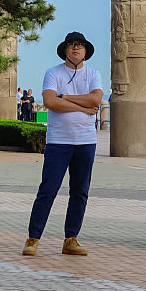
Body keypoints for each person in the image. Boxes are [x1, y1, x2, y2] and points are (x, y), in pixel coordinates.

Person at [22, 31, 103, 257]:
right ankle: (33, 238)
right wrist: (83, 107)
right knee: (48, 190)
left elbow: (96, 99)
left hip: (86, 142)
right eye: (71, 45)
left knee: (80, 191)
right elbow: (50, 102)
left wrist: (65, 97)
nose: (76, 48)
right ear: (65, 50)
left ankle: (71, 238)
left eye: (80, 45)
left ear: (86, 51)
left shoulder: (93, 74)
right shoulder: (53, 73)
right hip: (59, 141)